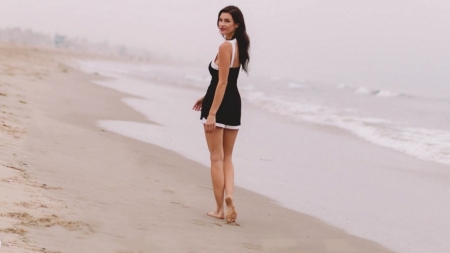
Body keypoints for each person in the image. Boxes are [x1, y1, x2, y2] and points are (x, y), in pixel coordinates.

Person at [192, 5, 250, 223]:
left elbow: (222, 82)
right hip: (234, 104)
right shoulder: (240, 45)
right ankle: (230, 196)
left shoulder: (225, 47)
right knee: (228, 157)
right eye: (220, 20)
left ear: (236, 24)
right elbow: (226, 81)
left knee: (216, 158)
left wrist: (212, 113)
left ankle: (219, 209)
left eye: (227, 20)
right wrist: (205, 98)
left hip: (220, 105)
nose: (222, 24)